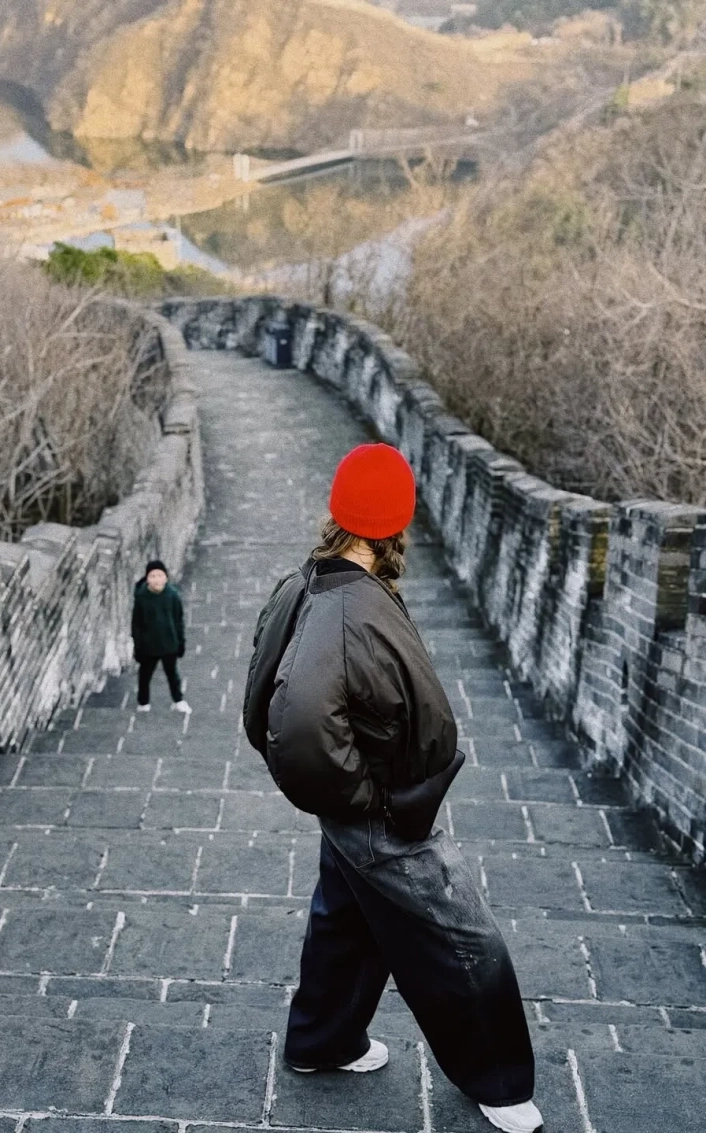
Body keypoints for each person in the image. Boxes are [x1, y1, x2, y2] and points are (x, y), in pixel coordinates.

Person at [242, 443, 543, 1133]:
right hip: (382, 811)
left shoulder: (306, 582)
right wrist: (365, 800)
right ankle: (499, 1081)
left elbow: (264, 697)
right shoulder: (349, 611)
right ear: (396, 524)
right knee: (463, 936)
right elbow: (296, 727)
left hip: (360, 805)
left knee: (346, 919)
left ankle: (323, 1040)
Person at [131, 559, 191, 714]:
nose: (157, 579)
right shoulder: (142, 597)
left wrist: (181, 642)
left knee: (172, 674)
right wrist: (138, 647)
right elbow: (136, 624)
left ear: (165, 578)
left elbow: (178, 621)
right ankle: (143, 703)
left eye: (160, 575)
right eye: (153, 576)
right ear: (147, 579)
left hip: (169, 643)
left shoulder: (172, 595)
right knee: (145, 676)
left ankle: (178, 700)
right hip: (148, 646)